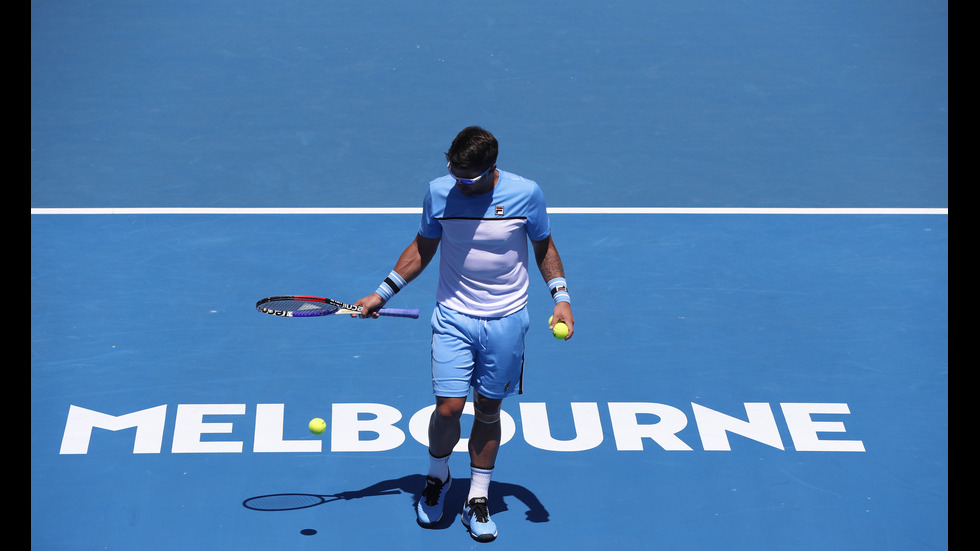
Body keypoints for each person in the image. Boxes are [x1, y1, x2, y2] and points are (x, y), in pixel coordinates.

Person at [354, 126, 574, 543]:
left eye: (469, 179)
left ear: (492, 169)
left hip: (507, 320)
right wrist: (382, 292)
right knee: (450, 409)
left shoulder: (526, 194)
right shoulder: (439, 192)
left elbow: (544, 246)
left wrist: (560, 297)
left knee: (489, 411)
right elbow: (422, 248)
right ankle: (437, 478)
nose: (461, 184)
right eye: (455, 175)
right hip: (454, 317)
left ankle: (477, 497)